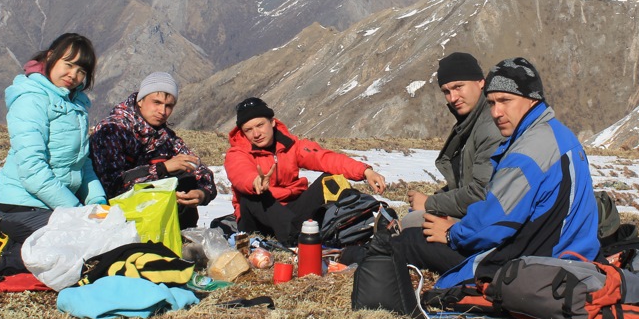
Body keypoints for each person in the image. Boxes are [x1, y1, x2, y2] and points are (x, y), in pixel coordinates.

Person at [392, 57, 600, 288]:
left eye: (505, 100)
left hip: (536, 263)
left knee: (412, 240)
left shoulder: (527, 152)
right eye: (491, 103)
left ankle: (352, 263)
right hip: (569, 252)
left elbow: (495, 223)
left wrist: (452, 233)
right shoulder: (557, 133)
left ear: (532, 99)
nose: (496, 112)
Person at [0, 33, 108, 274]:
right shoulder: (31, 99)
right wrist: (74, 212)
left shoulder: (76, 106)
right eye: (69, 64)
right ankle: (3, 257)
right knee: (83, 248)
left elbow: (81, 164)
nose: (73, 75)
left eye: (81, 70)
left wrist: (98, 203)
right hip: (19, 205)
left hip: (52, 205)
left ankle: (23, 244)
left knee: (101, 237)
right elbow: (32, 169)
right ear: (51, 57)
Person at [224, 97, 387, 245]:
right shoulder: (238, 152)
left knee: (330, 179)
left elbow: (324, 158)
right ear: (242, 133)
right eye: (248, 130)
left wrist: (366, 171)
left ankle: (355, 219)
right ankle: (296, 239)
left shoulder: (290, 145)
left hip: (291, 211)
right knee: (253, 195)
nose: (256, 134)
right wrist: (255, 182)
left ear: (272, 122)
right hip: (259, 220)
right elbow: (239, 171)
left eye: (260, 125)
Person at [90, 72, 217, 229]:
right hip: (117, 220)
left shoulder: (166, 138)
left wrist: (202, 193)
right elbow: (112, 186)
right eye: (156, 102)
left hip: (157, 220)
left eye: (169, 106)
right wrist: (162, 169)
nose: (162, 111)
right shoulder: (113, 130)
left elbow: (201, 171)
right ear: (141, 100)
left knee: (185, 176)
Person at [402, 52, 504, 228]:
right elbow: (466, 181)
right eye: (446, 92)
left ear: (480, 82)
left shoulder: (490, 127)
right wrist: (437, 198)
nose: (453, 98)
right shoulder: (472, 122)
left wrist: (429, 203)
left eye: (458, 87)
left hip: (490, 225)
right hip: (479, 217)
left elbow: (481, 193)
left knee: (412, 224)